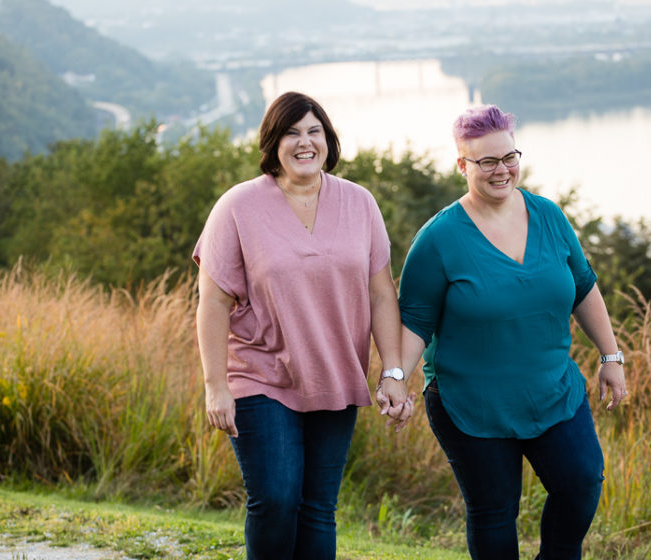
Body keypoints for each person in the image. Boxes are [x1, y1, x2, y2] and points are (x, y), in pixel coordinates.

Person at [397, 104, 628, 560]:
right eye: (486, 161)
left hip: (552, 390)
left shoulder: (548, 216)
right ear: (462, 165)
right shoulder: (438, 239)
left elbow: (583, 287)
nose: (501, 170)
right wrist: (396, 379)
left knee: (582, 482)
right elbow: (416, 322)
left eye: (509, 157)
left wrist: (610, 357)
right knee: (493, 511)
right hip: (470, 403)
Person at [193, 91, 411, 560]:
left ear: (328, 140)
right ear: (273, 143)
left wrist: (393, 371)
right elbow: (211, 301)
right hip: (260, 376)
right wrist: (216, 386)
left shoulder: (360, 203)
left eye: (314, 131)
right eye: (291, 132)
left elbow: (380, 294)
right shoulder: (238, 207)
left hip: (335, 376)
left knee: (317, 508)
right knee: (275, 498)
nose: (304, 142)